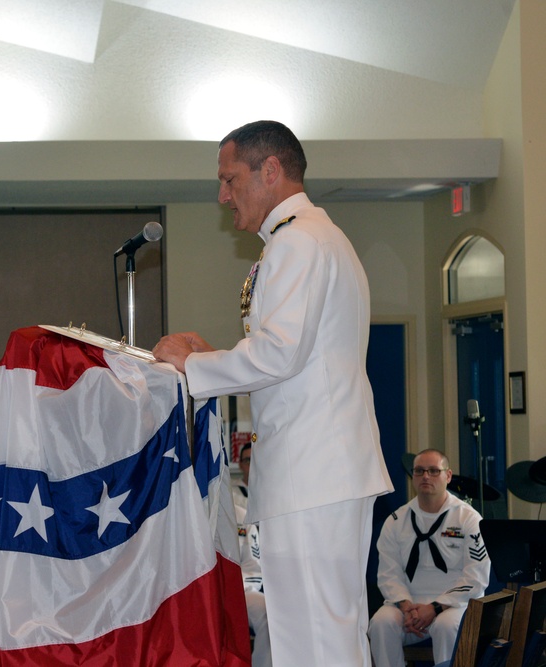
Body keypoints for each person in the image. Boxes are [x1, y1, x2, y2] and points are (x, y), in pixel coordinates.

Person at [153, 120, 392, 667]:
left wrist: (192, 366)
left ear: (270, 170)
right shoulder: (310, 237)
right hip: (321, 468)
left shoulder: (299, 242)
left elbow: (281, 354)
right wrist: (215, 356)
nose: (222, 195)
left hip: (313, 471)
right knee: (323, 633)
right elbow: (295, 358)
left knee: (313, 638)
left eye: (229, 178)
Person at [368, 449, 490, 667]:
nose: (426, 476)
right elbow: (388, 574)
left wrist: (434, 607)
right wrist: (406, 606)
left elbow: (476, 578)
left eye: (434, 471)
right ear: (413, 476)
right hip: (409, 606)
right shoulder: (396, 521)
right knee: (381, 623)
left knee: (446, 626)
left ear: (448, 476)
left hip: (455, 606)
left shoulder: (468, 519)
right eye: (419, 471)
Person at [236, 505, 271, 667]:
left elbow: (253, 570)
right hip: (192, 595)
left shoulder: (242, 518)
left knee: (269, 613)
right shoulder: (184, 513)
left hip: (237, 594)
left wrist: (231, 594)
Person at [232, 443, 252, 509]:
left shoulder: (270, 491)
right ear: (240, 465)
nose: (251, 465)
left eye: (254, 460)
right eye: (247, 460)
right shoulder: (230, 491)